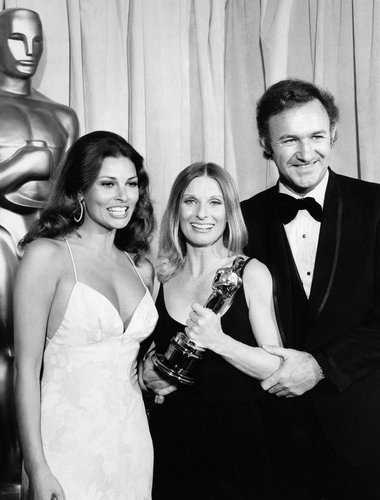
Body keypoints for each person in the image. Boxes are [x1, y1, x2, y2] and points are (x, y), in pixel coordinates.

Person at [241, 79, 380, 499]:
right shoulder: (239, 220)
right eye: (289, 140)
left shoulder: (376, 206)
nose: (306, 153)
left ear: (333, 134)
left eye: (317, 136)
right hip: (269, 439)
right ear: (265, 144)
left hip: (361, 435)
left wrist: (321, 366)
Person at [14, 131, 157, 500]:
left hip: (132, 444)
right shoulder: (47, 256)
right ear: (80, 191)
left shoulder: (141, 268)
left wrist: (154, 374)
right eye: (108, 184)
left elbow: (129, 366)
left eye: (131, 184)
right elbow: (25, 370)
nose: (123, 196)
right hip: (65, 447)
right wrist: (36, 467)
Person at [141, 162, 283, 500]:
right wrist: (147, 373)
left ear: (229, 211)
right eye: (190, 201)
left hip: (237, 441)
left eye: (214, 202)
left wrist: (218, 341)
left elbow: (276, 367)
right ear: (176, 209)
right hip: (171, 436)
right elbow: (144, 355)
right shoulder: (161, 276)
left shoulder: (250, 272)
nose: (202, 214)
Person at [0, 8, 79, 484]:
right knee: (8, 345)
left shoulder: (62, 115)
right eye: (17, 40)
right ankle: (10, 450)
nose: (29, 51)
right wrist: (19, 167)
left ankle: (43, 445)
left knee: (50, 344)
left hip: (51, 233)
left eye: (37, 41)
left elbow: (76, 189)